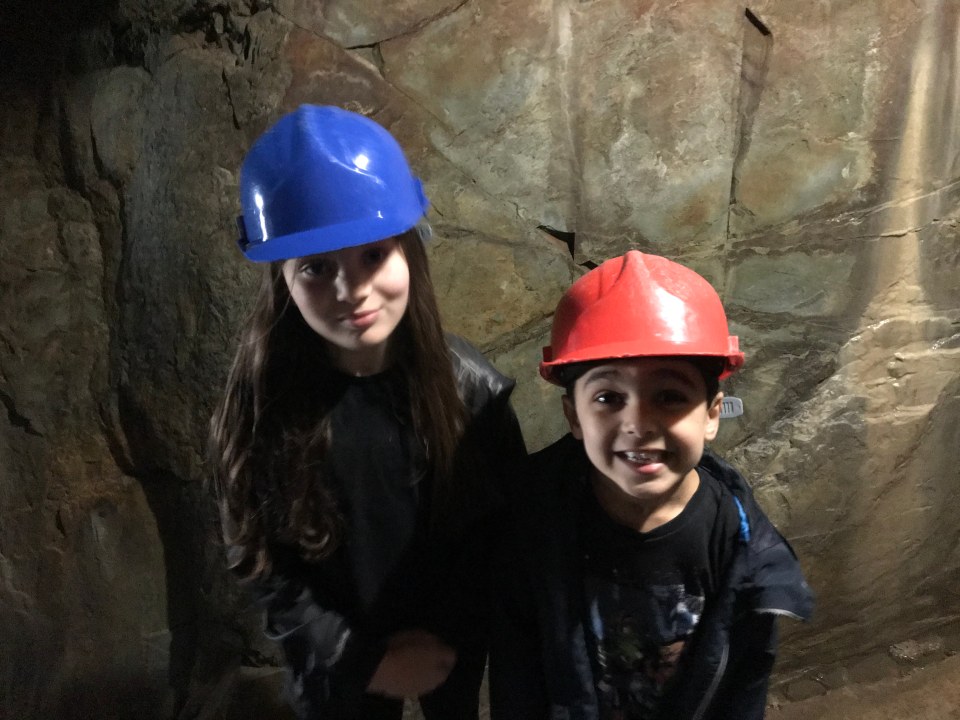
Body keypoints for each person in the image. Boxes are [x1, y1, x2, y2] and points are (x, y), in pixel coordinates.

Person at [209, 104, 525, 719]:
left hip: (448, 650)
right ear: (283, 279)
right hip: (333, 664)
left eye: (373, 256)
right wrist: (361, 659)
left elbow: (497, 537)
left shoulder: (473, 393)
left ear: (410, 252)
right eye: (317, 268)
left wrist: (443, 643)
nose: (350, 291)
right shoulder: (259, 406)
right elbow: (258, 560)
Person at [489, 251, 813, 720]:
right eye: (608, 397)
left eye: (669, 396)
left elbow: (745, 684)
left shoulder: (744, 552)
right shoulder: (532, 527)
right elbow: (516, 678)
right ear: (573, 417)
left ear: (712, 414)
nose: (638, 423)